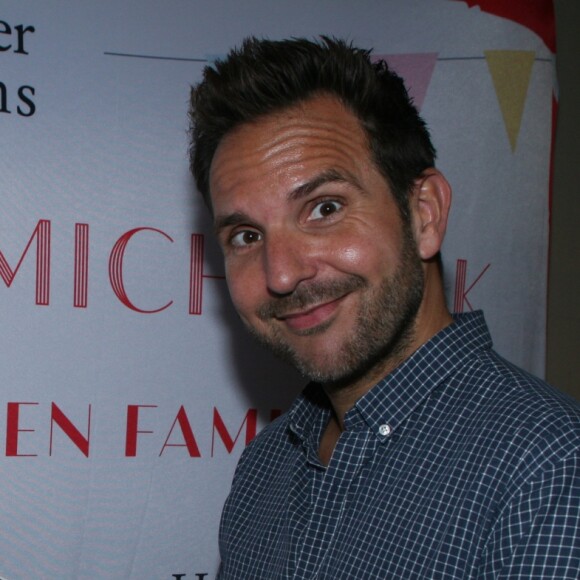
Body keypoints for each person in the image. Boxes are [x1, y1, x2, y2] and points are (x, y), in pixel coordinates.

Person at [188, 37, 579, 579]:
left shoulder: (549, 468)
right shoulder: (266, 468)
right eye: (247, 235)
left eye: (324, 208)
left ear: (424, 215)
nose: (281, 273)